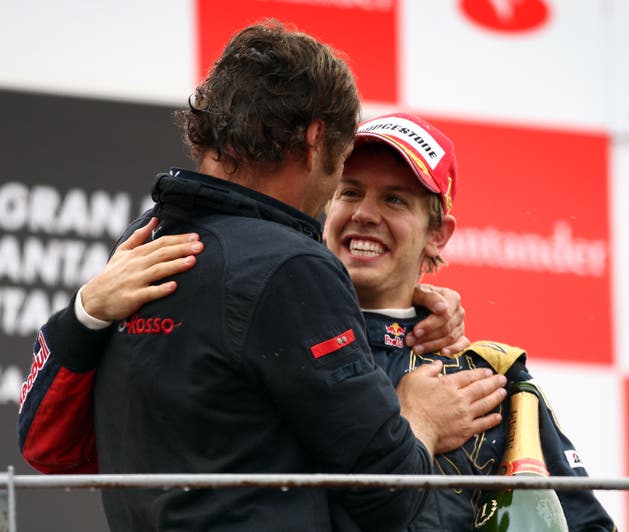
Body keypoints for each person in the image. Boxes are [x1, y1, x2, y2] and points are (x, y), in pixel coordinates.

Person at [17, 21, 508, 532]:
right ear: (318, 140)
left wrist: (82, 315)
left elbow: (45, 448)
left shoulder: (146, 239)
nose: (351, 203)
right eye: (346, 177)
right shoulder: (292, 266)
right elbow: (389, 496)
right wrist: (422, 420)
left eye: (395, 200)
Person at [320, 112, 617, 531]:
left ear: (438, 234)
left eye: (394, 199)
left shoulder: (490, 377)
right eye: (350, 192)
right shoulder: (278, 342)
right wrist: (417, 426)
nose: (365, 213)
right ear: (325, 207)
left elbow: (585, 525)